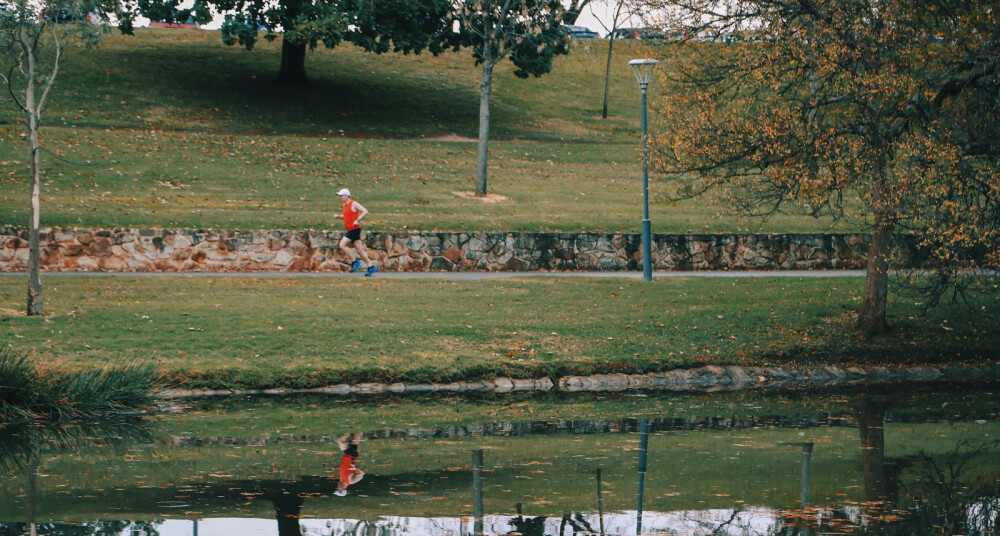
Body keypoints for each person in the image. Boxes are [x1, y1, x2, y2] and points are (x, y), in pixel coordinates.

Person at [333, 188, 377, 276]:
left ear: (347, 196)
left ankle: (355, 261)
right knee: (360, 251)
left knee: (342, 245)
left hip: (354, 229)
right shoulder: (344, 205)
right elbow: (347, 216)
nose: (340, 197)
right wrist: (339, 216)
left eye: (341, 195)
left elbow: (365, 211)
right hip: (350, 229)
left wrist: (358, 220)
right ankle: (371, 266)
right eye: (340, 196)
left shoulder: (354, 204)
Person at [334, 432, 366, 496]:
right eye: (338, 489)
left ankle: (354, 430)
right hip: (351, 457)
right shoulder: (351, 481)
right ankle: (347, 434)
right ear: (343, 489)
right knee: (340, 441)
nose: (337, 487)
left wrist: (338, 467)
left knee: (355, 437)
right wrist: (355, 467)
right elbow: (362, 473)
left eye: (336, 489)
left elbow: (346, 469)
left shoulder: (341, 479)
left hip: (346, 456)